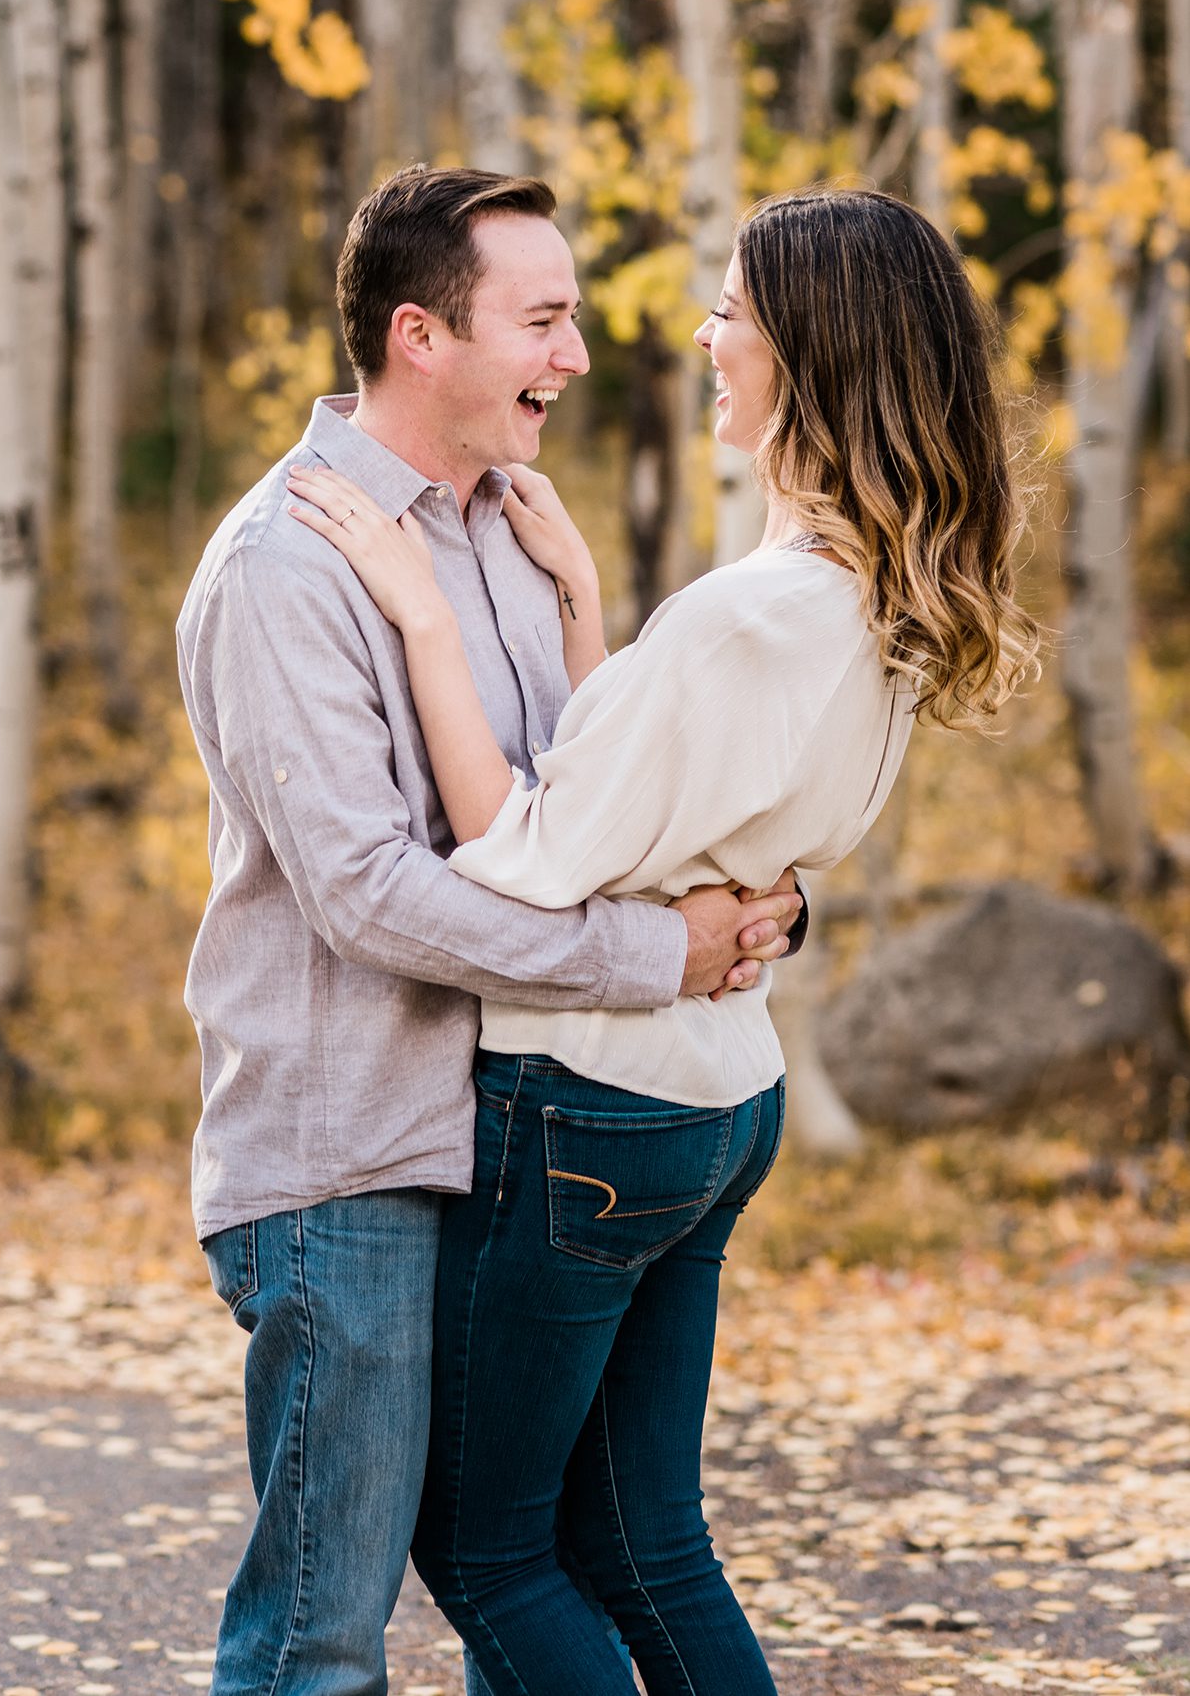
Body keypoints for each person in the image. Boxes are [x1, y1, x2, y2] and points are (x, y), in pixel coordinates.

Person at [288, 184, 1042, 1696]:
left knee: (489, 1549)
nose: (705, 341)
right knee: (642, 1543)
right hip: (717, 1096)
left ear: (807, 365)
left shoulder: (739, 616)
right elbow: (689, 803)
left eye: (733, 318)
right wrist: (581, 610)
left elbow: (526, 856)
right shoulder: (865, 599)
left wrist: (429, 623)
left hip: (586, 1104)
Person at [176, 164, 806, 1696]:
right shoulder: (285, 565)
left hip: (512, 1138)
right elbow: (372, 895)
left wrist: (751, 898)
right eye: (542, 320)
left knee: (522, 1582)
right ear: (419, 337)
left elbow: (566, 818)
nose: (576, 355)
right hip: (354, 1163)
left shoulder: (505, 528)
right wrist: (661, 954)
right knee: (322, 1641)